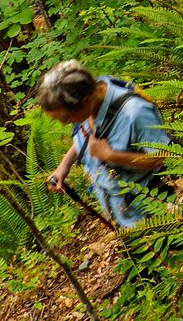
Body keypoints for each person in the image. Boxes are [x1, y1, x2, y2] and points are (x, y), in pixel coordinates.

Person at [37, 60, 169, 230]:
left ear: (84, 102)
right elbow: (86, 137)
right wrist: (65, 164)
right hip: (121, 214)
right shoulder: (88, 96)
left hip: (151, 212)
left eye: (67, 119)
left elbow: (165, 157)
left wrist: (111, 156)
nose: (64, 125)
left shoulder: (135, 112)